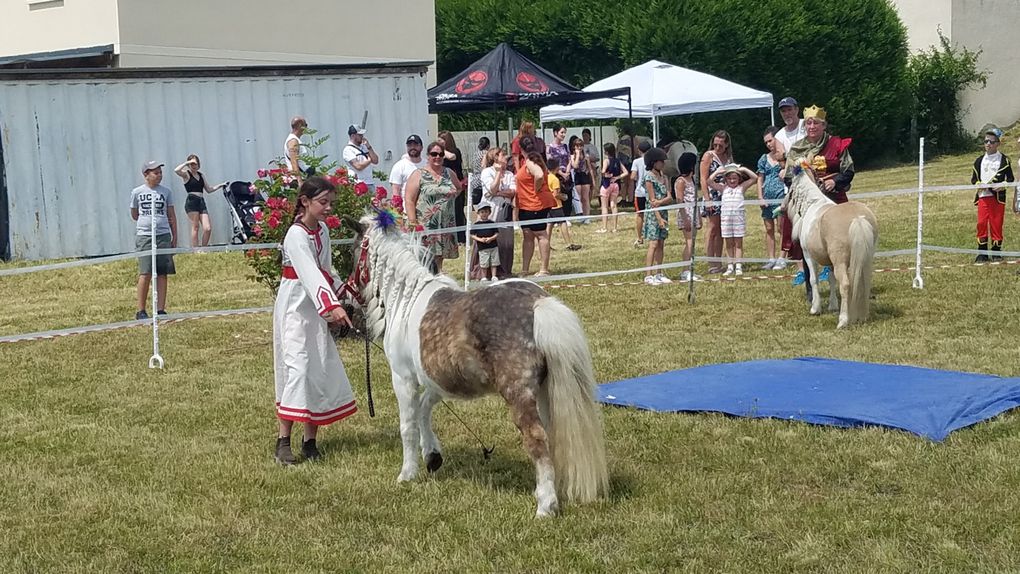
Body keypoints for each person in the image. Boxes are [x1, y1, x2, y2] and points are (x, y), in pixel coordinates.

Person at [273, 176, 356, 465]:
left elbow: (324, 269)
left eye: (331, 203)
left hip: (314, 306)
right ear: (305, 201)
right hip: (295, 306)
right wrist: (331, 305)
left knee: (317, 365)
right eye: (323, 202)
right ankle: (283, 441)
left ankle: (310, 441)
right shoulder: (296, 235)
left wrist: (347, 294)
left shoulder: (321, 230)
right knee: (297, 367)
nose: (328, 208)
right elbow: (307, 272)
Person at [783, 105, 854, 290]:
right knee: (806, 243)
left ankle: (848, 284)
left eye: (816, 123)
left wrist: (835, 181)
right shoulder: (797, 149)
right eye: (808, 123)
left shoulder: (837, 144)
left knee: (843, 242)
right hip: (807, 203)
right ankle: (810, 286)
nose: (812, 126)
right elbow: (790, 177)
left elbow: (848, 170)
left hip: (834, 197)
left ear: (824, 125)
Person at [130, 161, 178, 320]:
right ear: (146, 175)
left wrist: (174, 236)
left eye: (160, 172)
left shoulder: (166, 192)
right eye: (155, 172)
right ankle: (141, 310)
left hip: (162, 234)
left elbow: (171, 215)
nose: (159, 175)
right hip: (145, 235)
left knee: (163, 272)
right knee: (146, 272)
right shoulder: (137, 192)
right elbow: (134, 213)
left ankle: (161, 309)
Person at [405, 140, 462, 272]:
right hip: (425, 223)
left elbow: (458, 188)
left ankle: (438, 275)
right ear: (428, 155)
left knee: (440, 255)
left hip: (445, 222)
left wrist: (447, 201)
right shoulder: (418, 174)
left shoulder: (449, 173)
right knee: (425, 256)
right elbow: (409, 199)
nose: (437, 157)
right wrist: (413, 222)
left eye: (441, 154)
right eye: (434, 154)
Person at [971, 127, 1014, 261]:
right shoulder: (979, 161)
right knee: (982, 223)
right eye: (986, 141)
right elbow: (974, 179)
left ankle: (996, 252)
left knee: (996, 224)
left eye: (991, 142)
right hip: (983, 197)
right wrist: (979, 185)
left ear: (998, 143)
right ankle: (982, 253)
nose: (988, 144)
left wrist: (1003, 186)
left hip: (997, 198)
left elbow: (1010, 179)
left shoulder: (1004, 161)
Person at [709, 163, 756, 276]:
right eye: (729, 178)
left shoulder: (741, 187)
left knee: (738, 243)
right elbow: (709, 181)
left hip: (738, 219)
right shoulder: (723, 188)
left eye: (734, 178)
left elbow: (754, 178)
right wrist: (718, 172)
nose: (732, 181)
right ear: (725, 179)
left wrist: (744, 169)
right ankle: (730, 266)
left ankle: (738, 265)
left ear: (739, 178)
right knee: (729, 243)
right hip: (726, 220)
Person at [516, 147, 556, 276]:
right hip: (525, 205)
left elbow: (539, 175)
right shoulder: (532, 161)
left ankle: (544, 269)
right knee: (527, 236)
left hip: (536, 205)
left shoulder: (530, 162)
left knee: (541, 235)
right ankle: (525, 269)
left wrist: (536, 188)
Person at [480, 147, 517, 279]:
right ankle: (486, 272)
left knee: (506, 241)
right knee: (488, 240)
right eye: (502, 155)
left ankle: (505, 270)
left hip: (505, 210)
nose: (505, 158)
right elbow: (492, 188)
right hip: (490, 211)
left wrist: (499, 193)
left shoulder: (509, 174)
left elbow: (513, 191)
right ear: (495, 158)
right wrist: (497, 173)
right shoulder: (486, 172)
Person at [700, 130, 733, 273]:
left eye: (720, 145)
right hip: (712, 195)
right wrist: (707, 200)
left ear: (726, 145)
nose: (717, 148)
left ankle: (718, 261)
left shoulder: (728, 157)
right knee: (712, 228)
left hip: (725, 196)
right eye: (715, 144)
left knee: (721, 229)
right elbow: (702, 178)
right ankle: (711, 261)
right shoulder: (708, 156)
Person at [174, 154, 226, 248]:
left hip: (201, 201)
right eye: (192, 164)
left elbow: (209, 189)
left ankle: (204, 248)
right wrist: (187, 163)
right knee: (196, 227)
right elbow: (176, 170)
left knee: (207, 228)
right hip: (192, 201)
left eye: (195, 164)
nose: (194, 166)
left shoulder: (201, 175)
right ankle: (196, 249)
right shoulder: (186, 174)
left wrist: (220, 185)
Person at [641, 147, 673, 285]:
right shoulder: (648, 177)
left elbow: (670, 197)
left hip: (663, 212)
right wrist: (659, 218)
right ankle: (648, 275)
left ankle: (659, 273)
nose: (663, 164)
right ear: (654, 162)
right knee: (653, 244)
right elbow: (651, 200)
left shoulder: (664, 178)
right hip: (654, 215)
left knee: (661, 243)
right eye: (661, 161)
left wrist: (661, 202)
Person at [756, 127, 787, 270]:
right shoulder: (763, 158)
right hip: (767, 196)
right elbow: (760, 178)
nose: (768, 144)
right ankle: (771, 258)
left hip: (781, 195)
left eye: (770, 140)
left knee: (781, 227)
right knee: (769, 228)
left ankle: (782, 257)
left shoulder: (784, 156)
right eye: (766, 142)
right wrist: (760, 197)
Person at [674, 152, 702, 282]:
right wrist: (685, 218)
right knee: (689, 242)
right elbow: (680, 200)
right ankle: (685, 271)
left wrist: (699, 217)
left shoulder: (693, 180)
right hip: (686, 214)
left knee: (693, 242)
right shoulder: (681, 181)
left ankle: (689, 269)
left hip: (694, 213)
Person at [438, 131, 467, 244]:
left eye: (442, 140)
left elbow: (452, 157)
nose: (439, 142)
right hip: (444, 185)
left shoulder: (455, 151)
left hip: (456, 184)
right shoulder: (440, 155)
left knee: (457, 211)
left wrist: (440, 149)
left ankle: (461, 238)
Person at [546, 158, 580, 250]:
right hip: (557, 205)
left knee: (549, 224)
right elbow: (555, 194)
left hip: (548, 205)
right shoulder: (555, 179)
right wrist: (564, 197)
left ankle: (546, 245)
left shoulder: (546, 178)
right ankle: (568, 244)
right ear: (556, 168)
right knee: (563, 223)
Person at [596, 143, 628, 233]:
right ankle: (615, 227)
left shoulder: (606, 161)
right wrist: (617, 177)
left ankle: (604, 227)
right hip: (615, 184)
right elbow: (625, 172)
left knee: (604, 207)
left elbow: (603, 171)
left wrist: (605, 174)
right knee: (613, 205)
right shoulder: (618, 161)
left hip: (606, 184)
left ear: (606, 152)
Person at [342, 123, 379, 191]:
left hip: (369, 182)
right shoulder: (348, 150)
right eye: (359, 135)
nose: (362, 136)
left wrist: (369, 147)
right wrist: (369, 160)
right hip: (358, 183)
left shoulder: (364, 147)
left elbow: (376, 160)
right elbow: (358, 166)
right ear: (353, 136)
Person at [388, 134, 425, 200]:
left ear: (421, 147)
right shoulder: (399, 166)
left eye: (415, 145)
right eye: (409, 145)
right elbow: (395, 191)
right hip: (406, 207)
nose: (412, 147)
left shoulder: (427, 164)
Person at [470, 201, 500, 281]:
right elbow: (472, 235)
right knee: (484, 263)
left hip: (493, 246)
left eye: (486, 211)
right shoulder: (476, 224)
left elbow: (497, 233)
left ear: (489, 212)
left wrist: (491, 238)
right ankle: (484, 277)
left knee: (494, 262)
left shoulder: (492, 223)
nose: (484, 214)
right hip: (482, 247)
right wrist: (480, 240)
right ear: (478, 213)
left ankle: (494, 276)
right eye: (482, 212)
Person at [630, 140, 652, 248]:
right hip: (651, 191)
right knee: (652, 214)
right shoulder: (652, 160)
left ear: (639, 150)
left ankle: (639, 238)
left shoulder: (636, 162)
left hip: (640, 193)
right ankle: (653, 236)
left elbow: (633, 176)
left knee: (640, 215)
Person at [570, 135, 595, 223]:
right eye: (577, 146)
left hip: (584, 175)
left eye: (581, 145)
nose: (579, 147)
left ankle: (587, 216)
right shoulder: (572, 156)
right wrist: (577, 155)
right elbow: (575, 165)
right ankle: (580, 216)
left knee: (585, 198)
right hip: (576, 176)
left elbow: (590, 168)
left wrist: (593, 180)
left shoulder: (586, 156)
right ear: (574, 147)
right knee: (579, 197)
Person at [284, 116, 309, 180]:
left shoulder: (295, 139)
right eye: (305, 125)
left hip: (304, 176)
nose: (306, 127)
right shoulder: (293, 141)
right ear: (300, 125)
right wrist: (300, 181)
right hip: (300, 179)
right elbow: (294, 161)